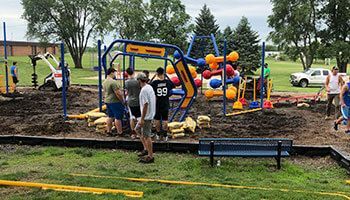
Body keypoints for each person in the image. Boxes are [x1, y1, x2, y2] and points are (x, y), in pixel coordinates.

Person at [136, 72, 156, 163]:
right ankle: (146, 149)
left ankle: (150, 156)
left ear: (139, 80)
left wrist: (143, 119)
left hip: (146, 116)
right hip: (149, 114)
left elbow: (145, 104)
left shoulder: (144, 90)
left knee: (147, 136)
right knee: (137, 129)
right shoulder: (149, 87)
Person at [151, 67, 175, 141]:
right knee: (165, 119)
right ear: (163, 73)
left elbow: (148, 85)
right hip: (165, 103)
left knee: (157, 119)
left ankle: (158, 134)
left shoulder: (154, 83)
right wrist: (166, 76)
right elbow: (173, 85)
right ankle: (165, 135)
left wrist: (153, 77)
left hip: (157, 103)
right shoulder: (167, 82)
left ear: (157, 73)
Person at [102, 67, 125, 136]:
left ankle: (108, 131)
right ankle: (120, 132)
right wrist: (122, 100)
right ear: (112, 72)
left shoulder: (105, 82)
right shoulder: (113, 82)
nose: (115, 74)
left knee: (110, 116)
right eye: (114, 72)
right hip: (115, 101)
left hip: (108, 101)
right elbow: (118, 93)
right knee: (118, 117)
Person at [125, 68, 141, 138]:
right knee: (139, 117)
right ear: (133, 73)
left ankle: (133, 133)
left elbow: (126, 92)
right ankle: (138, 132)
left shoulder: (126, 82)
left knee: (132, 117)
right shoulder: (137, 82)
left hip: (130, 100)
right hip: (138, 100)